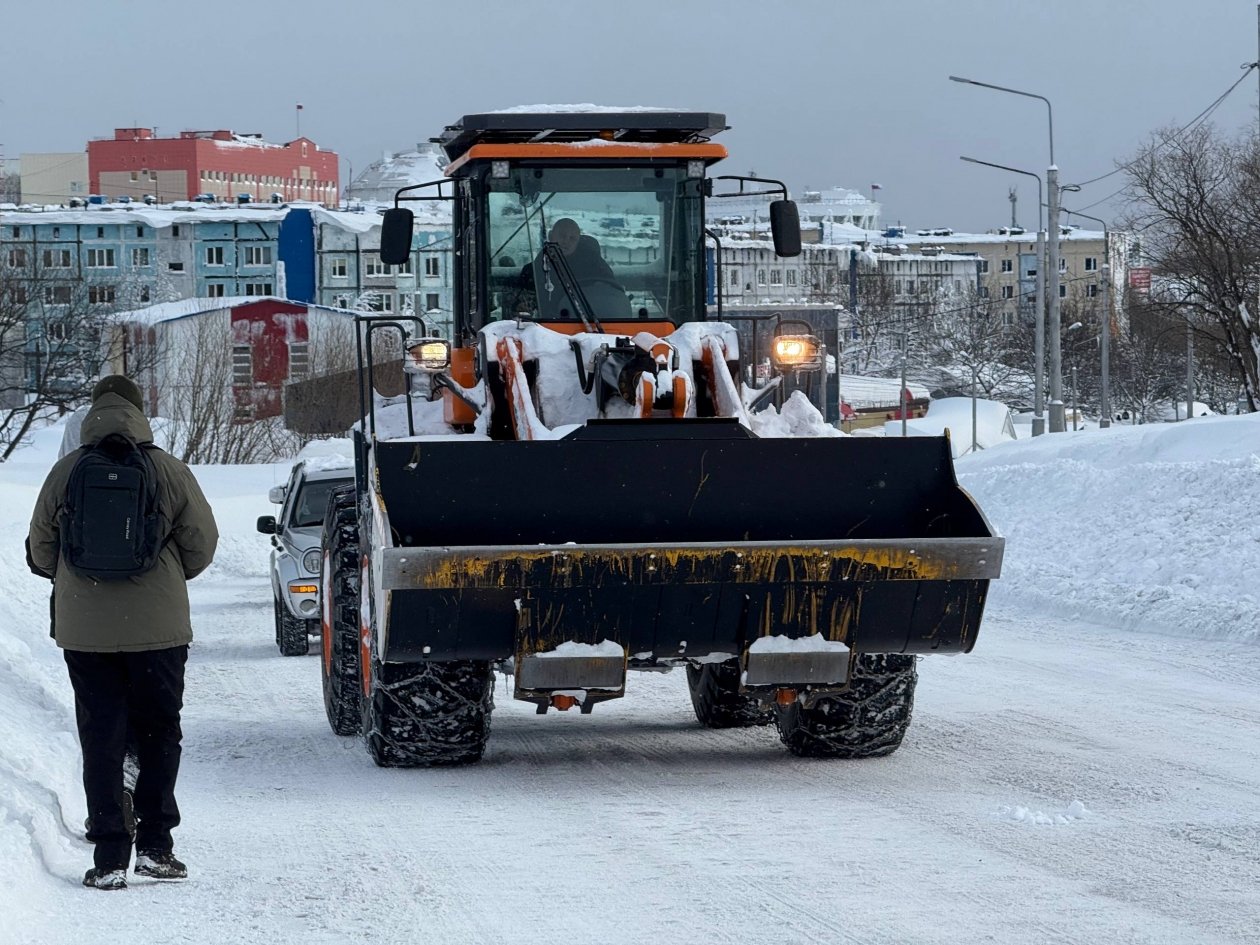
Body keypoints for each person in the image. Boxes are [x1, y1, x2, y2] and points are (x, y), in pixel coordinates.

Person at [27, 375, 219, 891]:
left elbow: (40, 549)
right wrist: (168, 576)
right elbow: (202, 542)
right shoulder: (168, 469)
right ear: (139, 412)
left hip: (85, 632)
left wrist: (75, 576)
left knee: (101, 733)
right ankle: (157, 846)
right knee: (160, 731)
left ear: (93, 413)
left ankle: (110, 855)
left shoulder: (66, 472)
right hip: (158, 629)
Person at [518, 218, 631, 318]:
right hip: (549, 332)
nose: (566, 241)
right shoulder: (534, 271)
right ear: (551, 236)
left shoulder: (596, 267)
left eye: (572, 238)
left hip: (595, 329)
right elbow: (522, 312)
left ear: (578, 242)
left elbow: (612, 296)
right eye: (562, 236)